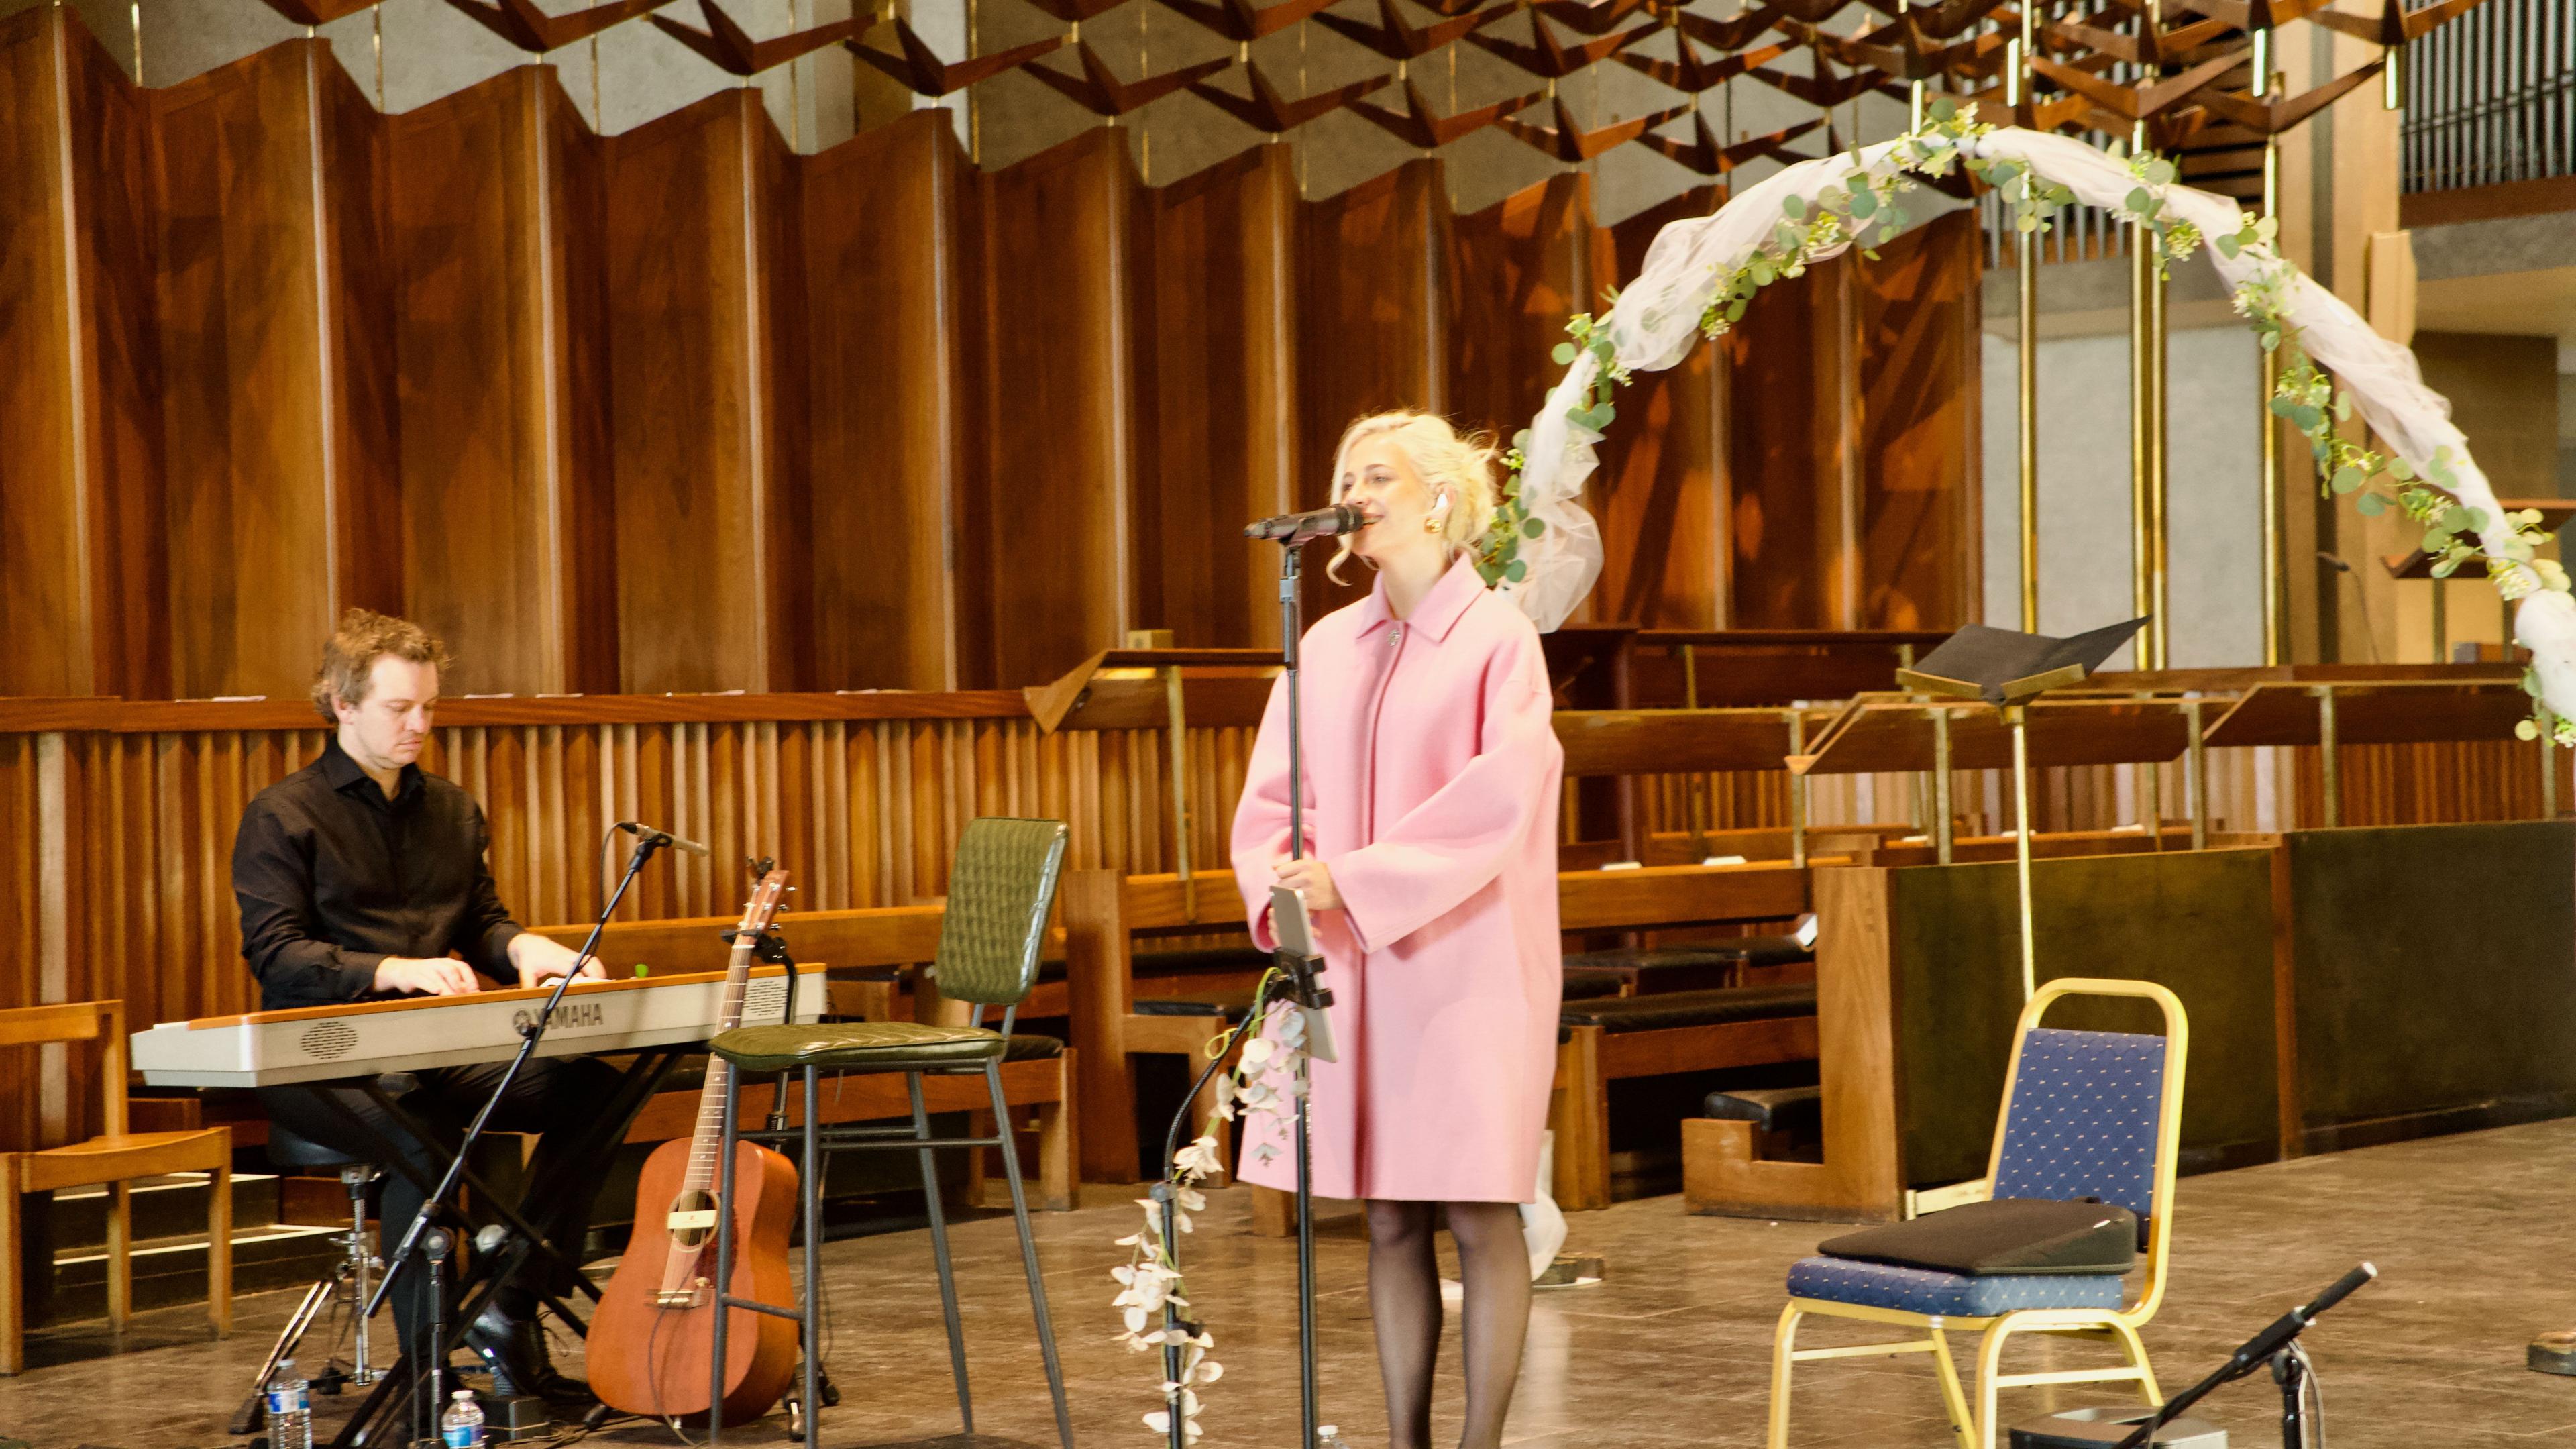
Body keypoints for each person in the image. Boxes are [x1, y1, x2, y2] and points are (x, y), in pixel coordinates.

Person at [1230, 411, 1565, 1449]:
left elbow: (1500, 799)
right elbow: (1273, 801)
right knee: (1382, 1213)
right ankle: (1407, 1442)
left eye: (1378, 474)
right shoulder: (1327, 645)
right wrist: (1291, 888)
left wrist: (1359, 878)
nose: (1356, 490)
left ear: (1440, 495)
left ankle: (1478, 1447)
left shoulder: (1499, 639)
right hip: (1350, 965)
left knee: (1477, 1206)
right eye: (1345, 475)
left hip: (1466, 965)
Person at [232, 609, 610, 1403]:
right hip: (320, 1056)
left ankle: (510, 1301)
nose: (422, 725)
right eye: (401, 709)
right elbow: (278, 954)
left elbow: (480, 921)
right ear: (342, 704)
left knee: (597, 1091)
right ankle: (426, 1387)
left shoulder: (451, 809)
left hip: (437, 1051)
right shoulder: (284, 815)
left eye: (429, 707)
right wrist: (392, 969)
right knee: (423, 1136)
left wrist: (522, 947)